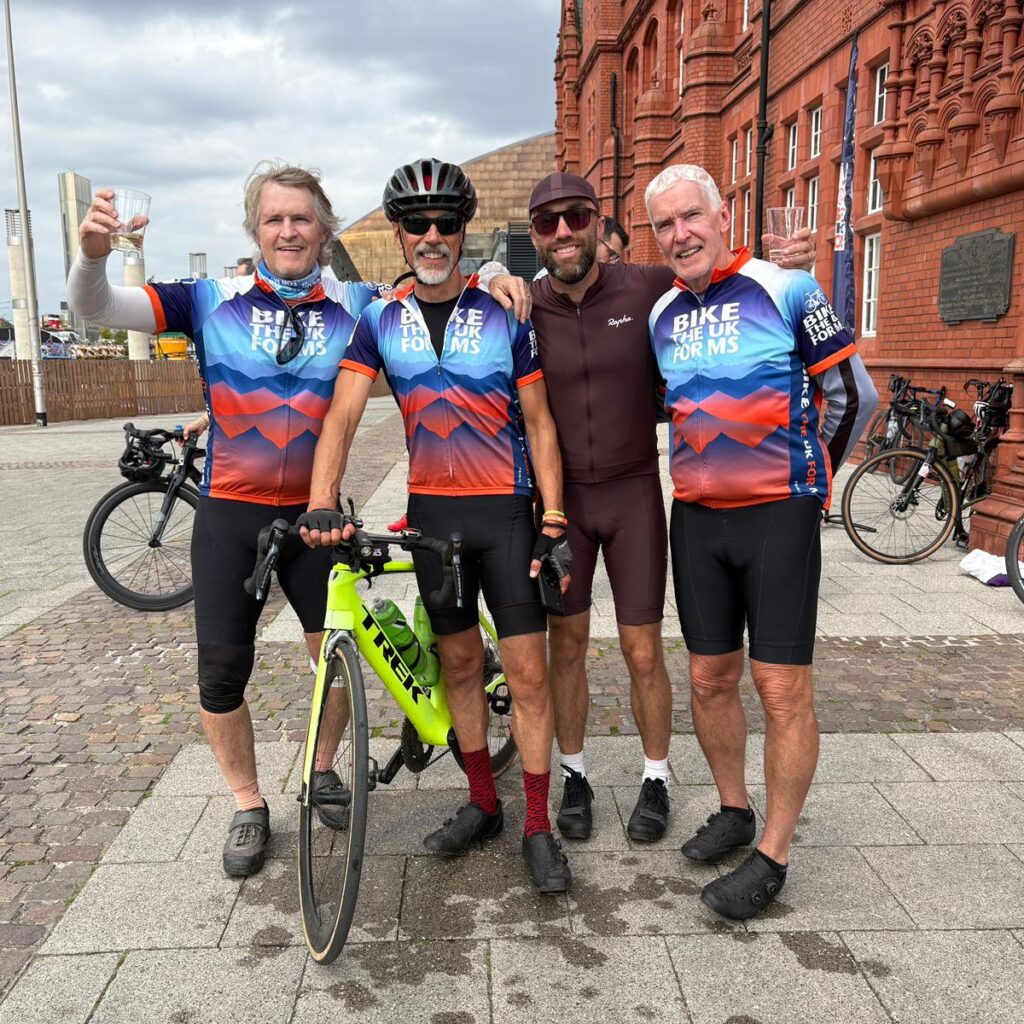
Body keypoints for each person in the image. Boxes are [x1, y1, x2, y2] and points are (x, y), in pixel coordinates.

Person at [67, 163, 528, 879]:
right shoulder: (209, 298)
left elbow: (437, 270)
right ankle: (248, 803)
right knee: (222, 671)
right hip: (229, 513)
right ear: (256, 228)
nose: (289, 230)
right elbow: (97, 307)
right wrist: (93, 253)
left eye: (303, 219)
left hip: (315, 519)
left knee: (335, 654)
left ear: (324, 230)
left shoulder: (355, 298)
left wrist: (498, 268)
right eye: (275, 218)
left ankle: (321, 771)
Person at [300, 158, 574, 894]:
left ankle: (539, 824)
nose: (431, 235)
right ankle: (483, 801)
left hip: (505, 514)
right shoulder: (378, 323)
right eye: (416, 224)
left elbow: (541, 423)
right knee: (457, 664)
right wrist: (322, 497)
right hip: (434, 519)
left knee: (528, 675)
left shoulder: (503, 316)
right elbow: (345, 414)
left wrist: (553, 518)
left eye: (445, 223)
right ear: (397, 233)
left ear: (463, 232)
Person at [525, 172, 816, 845]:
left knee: (644, 650)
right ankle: (575, 774)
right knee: (565, 644)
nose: (563, 232)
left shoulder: (651, 288)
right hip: (563, 501)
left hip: (633, 494)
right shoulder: (524, 302)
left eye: (575, 217)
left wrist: (794, 268)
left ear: (600, 224)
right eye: (547, 222)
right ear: (536, 235)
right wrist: (487, 277)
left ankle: (655, 776)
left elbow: (735, 287)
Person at [646, 163, 877, 919]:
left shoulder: (786, 290)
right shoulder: (662, 316)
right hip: (697, 518)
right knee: (710, 677)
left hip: (778, 512)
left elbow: (852, 394)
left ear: (721, 215)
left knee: (781, 689)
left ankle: (773, 854)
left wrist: (814, 481)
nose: (680, 233)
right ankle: (733, 808)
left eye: (691, 216)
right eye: (664, 225)